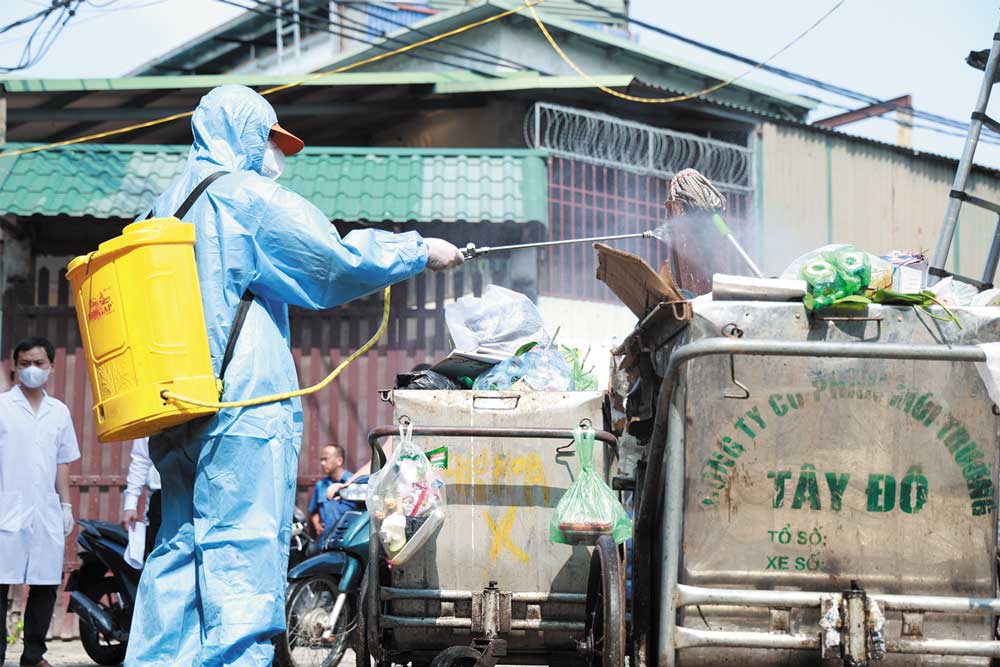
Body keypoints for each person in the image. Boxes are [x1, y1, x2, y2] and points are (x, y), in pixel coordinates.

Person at [125, 85, 465, 667]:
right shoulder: (243, 199)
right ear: (246, 134)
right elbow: (332, 261)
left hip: (176, 412)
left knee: (178, 554)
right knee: (241, 554)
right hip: (241, 413)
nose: (274, 155)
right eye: (268, 139)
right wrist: (418, 249)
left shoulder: (160, 207)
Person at [0, 336, 80, 667]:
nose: (32, 369)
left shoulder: (58, 412)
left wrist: (65, 505)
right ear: (15, 367)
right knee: (1, 583)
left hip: (45, 508)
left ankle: (34, 655)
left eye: (39, 363)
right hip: (7, 506)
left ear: (51, 367)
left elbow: (62, 461)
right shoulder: (3, 407)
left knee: (46, 584)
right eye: (25, 364)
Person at [120, 437, 162, 557]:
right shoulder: (149, 419)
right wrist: (130, 504)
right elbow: (141, 459)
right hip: (159, 499)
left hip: (194, 498)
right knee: (158, 558)